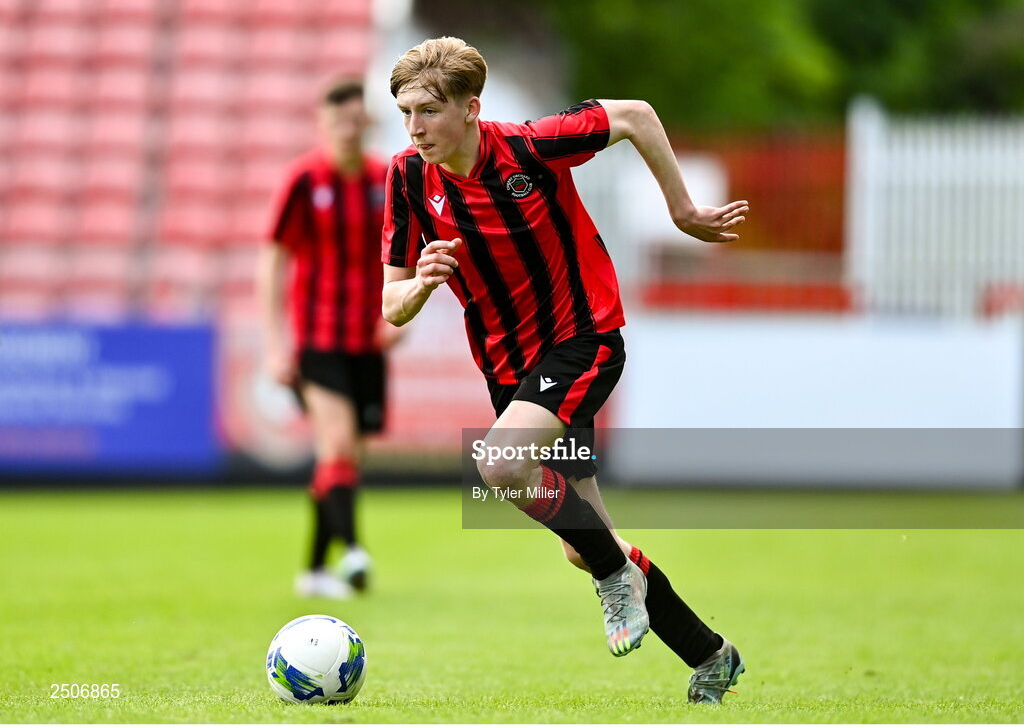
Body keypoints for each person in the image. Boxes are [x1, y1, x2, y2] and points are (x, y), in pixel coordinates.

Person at [381, 37, 750, 703]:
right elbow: (392, 305)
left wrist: (682, 210)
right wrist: (423, 284)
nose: (415, 127)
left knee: (498, 466)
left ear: (471, 108)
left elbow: (635, 113)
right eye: (406, 111)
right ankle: (710, 653)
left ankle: (618, 584)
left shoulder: (529, 146)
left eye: (429, 111)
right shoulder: (407, 178)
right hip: (510, 369)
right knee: (586, 544)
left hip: (584, 339)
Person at [259, 79, 399, 600]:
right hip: (317, 342)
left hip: (369, 343)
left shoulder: (386, 179)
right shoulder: (303, 180)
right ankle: (354, 552)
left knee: (342, 461)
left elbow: (407, 252)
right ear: (322, 122)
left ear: (367, 123)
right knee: (337, 445)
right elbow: (273, 260)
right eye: (337, 119)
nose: (346, 128)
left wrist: (398, 320)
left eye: (355, 119)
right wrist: (275, 344)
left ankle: (314, 571)